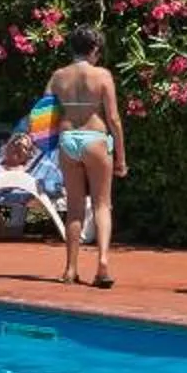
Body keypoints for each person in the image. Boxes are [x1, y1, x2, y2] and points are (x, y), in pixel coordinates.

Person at [45, 28, 125, 289]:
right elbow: (113, 119)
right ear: (94, 50)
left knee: (75, 209)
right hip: (96, 139)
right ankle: (102, 264)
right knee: (102, 205)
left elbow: (43, 114)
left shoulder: (58, 76)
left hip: (68, 140)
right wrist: (121, 157)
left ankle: (70, 268)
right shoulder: (102, 75)